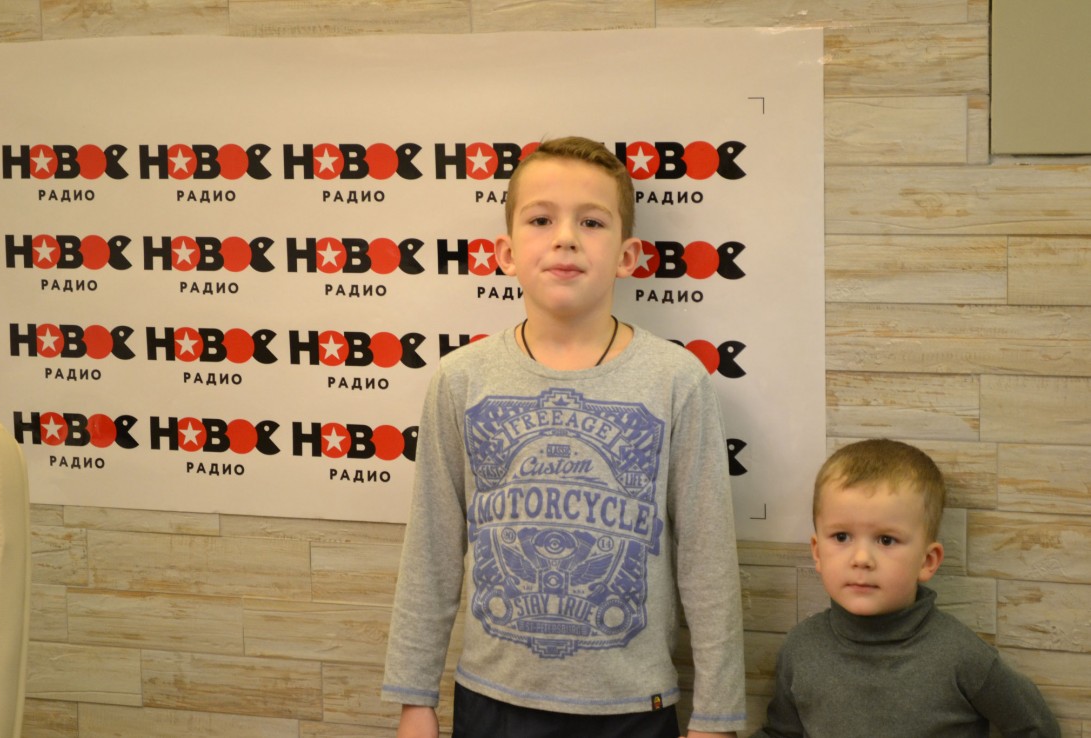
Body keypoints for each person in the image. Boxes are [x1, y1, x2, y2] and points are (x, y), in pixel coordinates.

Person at [381, 136, 746, 738]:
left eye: (592, 221)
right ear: (506, 253)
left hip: (633, 707)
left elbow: (708, 563)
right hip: (492, 700)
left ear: (628, 255)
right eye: (541, 219)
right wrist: (413, 697)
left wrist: (717, 715)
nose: (566, 238)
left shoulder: (676, 381)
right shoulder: (460, 380)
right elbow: (431, 550)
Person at [751, 439, 1060, 738]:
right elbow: (782, 733)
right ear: (818, 553)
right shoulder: (801, 648)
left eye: (886, 540)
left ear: (927, 561)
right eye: (842, 537)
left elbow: (1035, 727)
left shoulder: (962, 656)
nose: (861, 558)